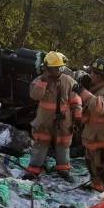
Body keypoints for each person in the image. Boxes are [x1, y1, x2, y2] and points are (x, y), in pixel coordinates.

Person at [73, 57, 104, 208]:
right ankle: (97, 185)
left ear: (98, 75)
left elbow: (99, 106)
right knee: (91, 163)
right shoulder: (97, 88)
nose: (89, 75)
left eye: (91, 73)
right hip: (94, 138)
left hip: (103, 140)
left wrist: (81, 91)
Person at [24, 51, 82, 181]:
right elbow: (35, 95)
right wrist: (43, 81)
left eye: (59, 68)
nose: (58, 70)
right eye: (55, 68)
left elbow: (76, 100)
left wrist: (78, 117)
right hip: (44, 121)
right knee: (40, 144)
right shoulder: (40, 81)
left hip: (64, 122)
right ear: (48, 68)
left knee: (63, 145)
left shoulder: (69, 81)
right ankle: (33, 170)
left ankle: (63, 169)